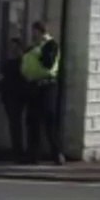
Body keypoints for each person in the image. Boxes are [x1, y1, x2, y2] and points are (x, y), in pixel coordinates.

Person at [22, 20, 65, 164]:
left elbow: (48, 63)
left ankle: (57, 153)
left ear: (41, 32)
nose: (32, 34)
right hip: (33, 85)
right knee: (32, 121)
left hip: (47, 85)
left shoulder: (50, 45)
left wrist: (37, 51)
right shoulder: (32, 47)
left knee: (49, 120)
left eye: (35, 31)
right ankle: (32, 155)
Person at [0, 37, 28, 160]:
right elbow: (3, 78)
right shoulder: (8, 62)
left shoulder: (22, 62)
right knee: (14, 123)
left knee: (16, 123)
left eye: (15, 47)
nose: (13, 49)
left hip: (18, 96)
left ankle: (18, 150)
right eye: (11, 47)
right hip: (9, 96)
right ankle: (16, 149)